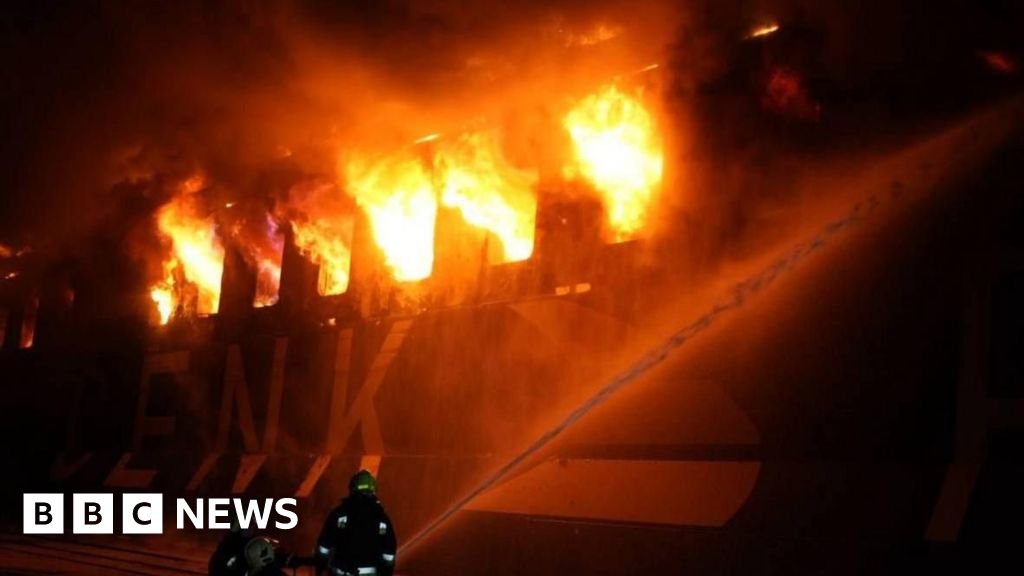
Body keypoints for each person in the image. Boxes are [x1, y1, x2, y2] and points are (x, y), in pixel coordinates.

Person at [314, 470, 397, 576]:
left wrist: (320, 568)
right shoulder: (381, 518)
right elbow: (389, 554)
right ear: (373, 491)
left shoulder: (339, 514)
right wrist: (387, 571)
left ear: (352, 489)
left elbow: (324, 547)